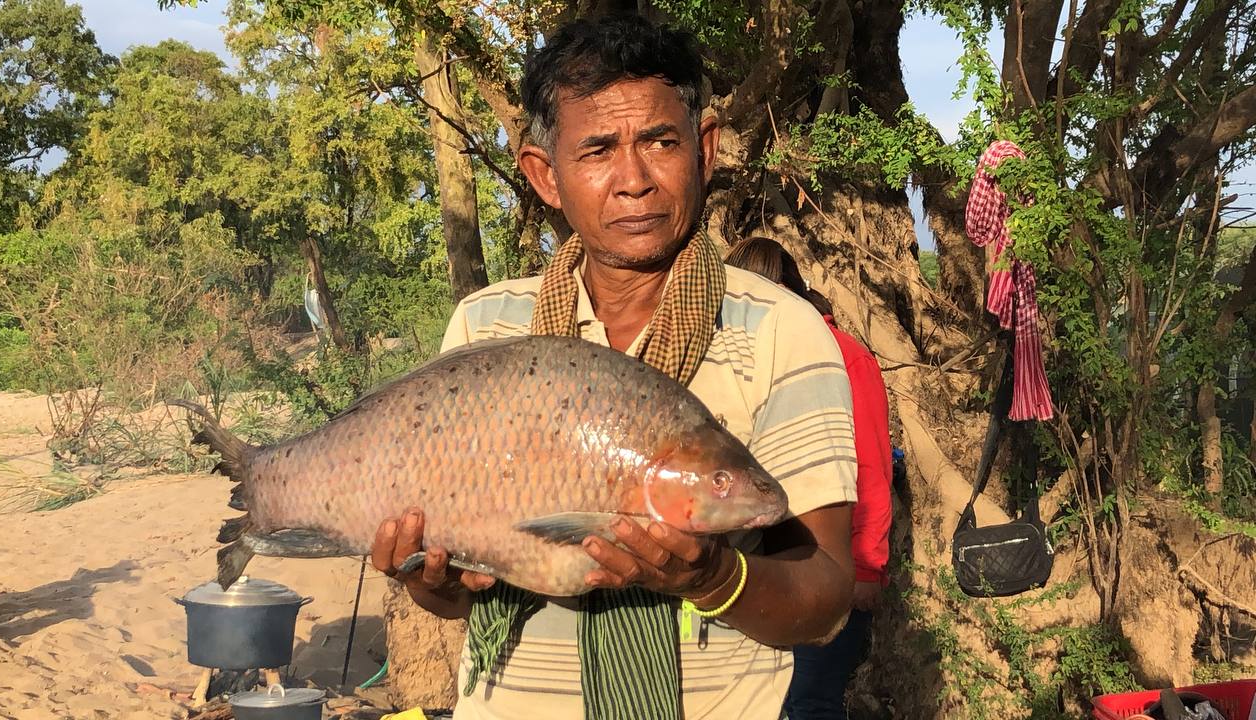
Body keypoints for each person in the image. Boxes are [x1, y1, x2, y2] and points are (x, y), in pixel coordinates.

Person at [369, 15, 859, 720]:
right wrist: (429, 577)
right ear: (545, 175)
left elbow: (826, 598)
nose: (634, 181)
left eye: (660, 142)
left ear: (704, 149)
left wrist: (714, 576)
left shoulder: (782, 330)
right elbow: (457, 597)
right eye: (598, 149)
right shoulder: (486, 324)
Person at [723, 236, 893, 720]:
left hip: (826, 565)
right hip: (760, 567)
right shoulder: (738, 360)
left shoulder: (841, 355)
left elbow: (871, 465)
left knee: (809, 703)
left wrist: (866, 566)